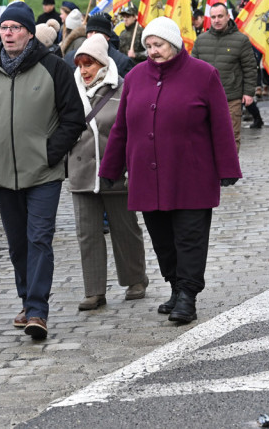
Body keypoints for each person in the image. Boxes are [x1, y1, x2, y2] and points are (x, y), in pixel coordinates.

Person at [99, 17, 241, 325]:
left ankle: (188, 295)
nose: (152, 51)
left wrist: (228, 167)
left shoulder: (204, 75)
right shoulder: (135, 77)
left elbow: (221, 125)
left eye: (158, 45)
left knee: (189, 237)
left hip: (191, 176)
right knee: (162, 239)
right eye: (148, 46)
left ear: (174, 44)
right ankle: (176, 287)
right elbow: (121, 127)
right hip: (147, 178)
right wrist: (110, 166)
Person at [0, 2, 86, 341]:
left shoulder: (54, 68)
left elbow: (73, 118)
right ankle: (26, 301)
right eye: (4, 28)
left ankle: (37, 310)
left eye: (15, 28)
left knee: (39, 239)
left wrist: (49, 152)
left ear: (30, 32)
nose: (8, 33)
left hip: (44, 174)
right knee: (18, 244)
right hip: (4, 175)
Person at [67, 35, 148, 311]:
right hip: (81, 171)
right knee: (87, 233)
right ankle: (94, 290)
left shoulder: (123, 88)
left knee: (125, 228)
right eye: (80, 64)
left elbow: (133, 128)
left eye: (89, 64)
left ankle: (136, 279)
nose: (84, 70)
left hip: (116, 170)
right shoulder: (69, 90)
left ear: (102, 63)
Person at [192, 3, 260, 149]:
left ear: (228, 17)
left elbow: (250, 68)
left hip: (231, 98)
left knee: (231, 137)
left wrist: (248, 93)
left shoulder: (241, 40)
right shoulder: (200, 40)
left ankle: (230, 171)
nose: (217, 20)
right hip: (205, 99)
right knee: (206, 138)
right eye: (213, 17)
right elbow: (192, 70)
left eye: (220, 16)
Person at [65, 13, 132, 77]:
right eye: (90, 32)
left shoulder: (122, 62)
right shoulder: (71, 57)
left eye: (98, 32)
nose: (93, 35)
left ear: (108, 37)